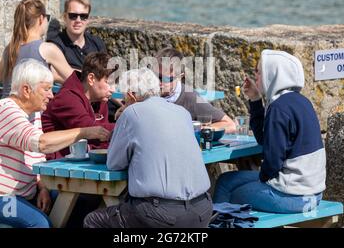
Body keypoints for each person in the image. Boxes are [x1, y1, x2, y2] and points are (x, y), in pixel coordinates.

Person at [0, 59, 110, 228]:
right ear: (27, 90)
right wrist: (83, 131)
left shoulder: (32, 113)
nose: (51, 95)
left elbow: (36, 157)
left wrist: (42, 187)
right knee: (39, 224)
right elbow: (41, 144)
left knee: (82, 200)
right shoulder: (5, 110)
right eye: (47, 89)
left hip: (24, 193)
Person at [83, 68, 213, 228]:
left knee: (93, 221)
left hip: (162, 215)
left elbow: (114, 163)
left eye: (124, 98)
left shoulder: (131, 113)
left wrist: (123, 117)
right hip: (203, 210)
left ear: (131, 95)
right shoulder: (182, 112)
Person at [213, 50, 326, 213]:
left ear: (272, 73)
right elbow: (264, 141)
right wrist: (255, 99)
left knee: (230, 192)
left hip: (293, 197)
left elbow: (272, 162)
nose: (255, 76)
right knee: (225, 180)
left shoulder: (279, 108)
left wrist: (262, 180)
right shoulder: (299, 101)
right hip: (312, 193)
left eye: (259, 71)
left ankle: (217, 222)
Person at [46, 0, 121, 122]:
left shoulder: (96, 43)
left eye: (83, 16)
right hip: (74, 103)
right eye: (73, 15)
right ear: (65, 17)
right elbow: (52, 74)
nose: (78, 20)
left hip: (101, 101)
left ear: (88, 19)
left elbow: (107, 77)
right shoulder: (55, 45)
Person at [42, 52, 115, 159]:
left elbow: (103, 139)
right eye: (108, 82)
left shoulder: (100, 100)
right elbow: (89, 129)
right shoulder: (66, 98)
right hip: (52, 167)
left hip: (79, 166)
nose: (113, 89)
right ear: (91, 79)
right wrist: (129, 122)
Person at [0, 0, 74, 98]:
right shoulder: (47, 49)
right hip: (31, 112)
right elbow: (75, 80)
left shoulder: (11, 48)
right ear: (41, 18)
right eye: (47, 17)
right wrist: (54, 77)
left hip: (7, 108)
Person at [154, 47, 236, 133]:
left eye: (166, 79)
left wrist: (196, 130)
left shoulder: (191, 97)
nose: (158, 83)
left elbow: (230, 124)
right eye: (156, 76)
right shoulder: (145, 92)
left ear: (180, 77)